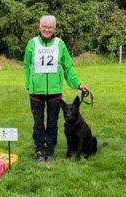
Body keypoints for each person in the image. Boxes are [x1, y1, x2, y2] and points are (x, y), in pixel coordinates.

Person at [24, 15, 88, 163]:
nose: (47, 29)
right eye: (44, 26)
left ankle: (50, 150)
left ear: (54, 28)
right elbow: (27, 66)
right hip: (36, 91)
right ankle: (39, 150)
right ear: (39, 27)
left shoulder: (60, 44)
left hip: (54, 91)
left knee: (52, 123)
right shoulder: (31, 43)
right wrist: (28, 84)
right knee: (38, 123)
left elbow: (68, 67)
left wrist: (77, 84)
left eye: (50, 27)